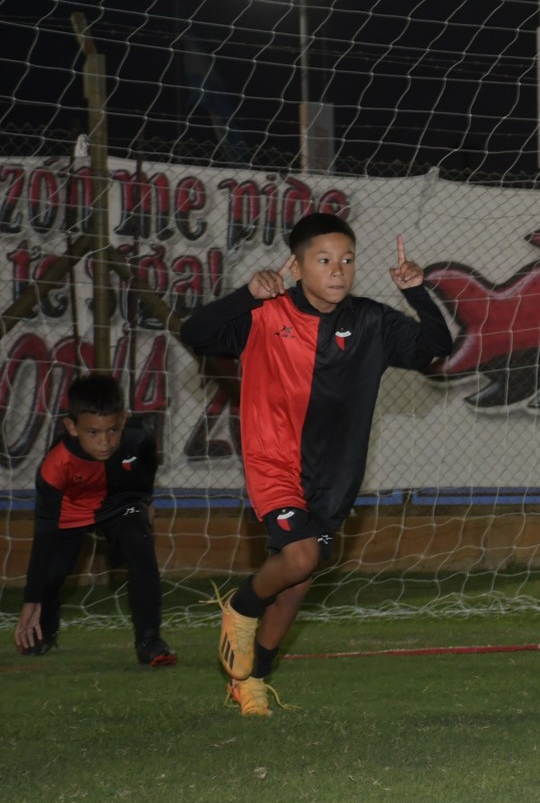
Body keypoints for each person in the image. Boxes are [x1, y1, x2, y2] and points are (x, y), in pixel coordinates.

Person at [179, 212, 453, 716]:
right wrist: (247, 295)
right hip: (275, 461)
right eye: (324, 260)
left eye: (347, 260)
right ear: (297, 266)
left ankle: (251, 681)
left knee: (298, 582)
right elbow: (194, 331)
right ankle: (239, 608)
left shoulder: (371, 321)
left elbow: (436, 349)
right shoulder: (265, 314)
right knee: (300, 559)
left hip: (337, 476)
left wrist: (417, 291)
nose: (338, 270)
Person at [12, 373, 176, 666]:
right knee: (54, 572)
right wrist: (31, 598)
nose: (105, 442)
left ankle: (149, 641)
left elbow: (145, 469)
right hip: (71, 510)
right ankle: (44, 631)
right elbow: (44, 536)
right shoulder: (54, 466)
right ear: (71, 427)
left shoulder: (139, 438)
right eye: (93, 433)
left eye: (113, 430)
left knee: (140, 546)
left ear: (124, 419)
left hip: (119, 504)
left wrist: (144, 501)